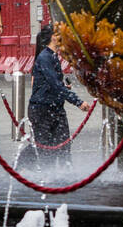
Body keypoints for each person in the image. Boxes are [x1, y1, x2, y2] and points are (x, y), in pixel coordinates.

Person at [25, 24, 88, 169]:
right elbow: (54, 84)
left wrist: (62, 88)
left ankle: (65, 177)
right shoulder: (44, 57)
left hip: (55, 108)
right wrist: (78, 102)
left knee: (63, 145)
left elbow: (51, 84)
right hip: (42, 110)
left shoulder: (52, 56)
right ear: (52, 37)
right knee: (45, 148)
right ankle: (23, 169)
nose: (62, 37)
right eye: (59, 34)